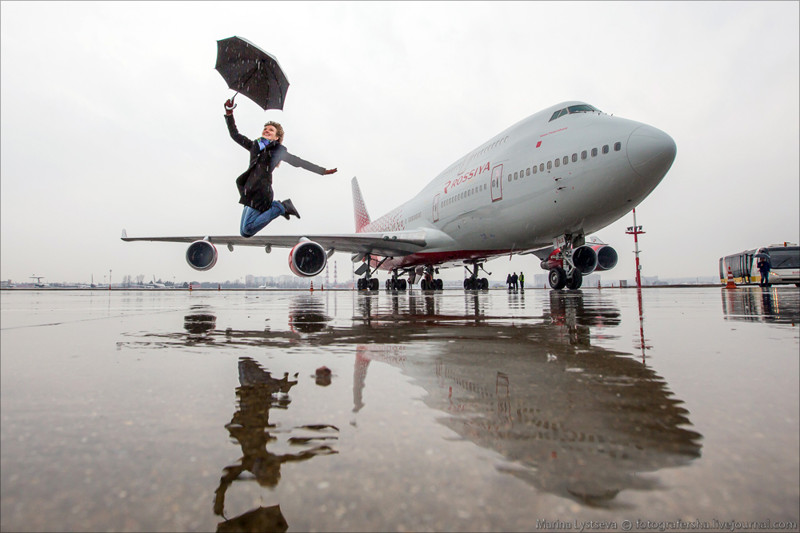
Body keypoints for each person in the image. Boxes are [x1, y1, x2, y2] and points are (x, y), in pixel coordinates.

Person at [224, 99, 337, 237]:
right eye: (265, 129)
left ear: (277, 137)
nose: (266, 130)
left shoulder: (278, 151)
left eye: (271, 130)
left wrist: (322, 171)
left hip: (261, 192)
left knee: (247, 230)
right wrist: (229, 113)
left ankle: (281, 207)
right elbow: (235, 135)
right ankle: (280, 207)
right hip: (249, 191)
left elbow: (298, 161)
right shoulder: (255, 146)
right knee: (244, 232)